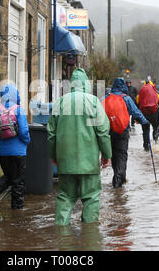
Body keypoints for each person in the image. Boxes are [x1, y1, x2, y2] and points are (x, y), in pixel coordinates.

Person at [47, 68, 112, 226]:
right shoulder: (93, 102)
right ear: (86, 84)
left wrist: (54, 156)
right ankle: (90, 237)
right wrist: (106, 154)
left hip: (65, 162)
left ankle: (62, 236)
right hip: (89, 162)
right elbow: (103, 132)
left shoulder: (61, 102)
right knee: (91, 198)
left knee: (65, 197)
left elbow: (51, 134)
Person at [102, 78, 148, 188]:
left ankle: (117, 179)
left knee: (113, 156)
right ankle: (119, 181)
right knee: (122, 155)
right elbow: (136, 113)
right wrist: (145, 123)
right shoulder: (126, 98)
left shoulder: (105, 98)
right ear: (124, 86)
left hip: (108, 133)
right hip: (122, 133)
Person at [136, 81, 159, 151]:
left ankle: (146, 147)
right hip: (154, 114)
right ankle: (156, 143)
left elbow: (136, 105)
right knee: (156, 128)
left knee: (145, 131)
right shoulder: (157, 93)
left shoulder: (140, 93)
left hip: (144, 114)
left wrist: (137, 118)